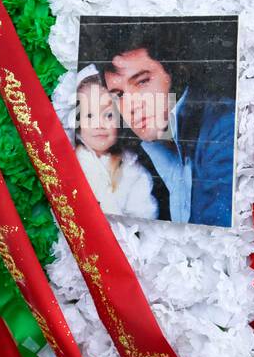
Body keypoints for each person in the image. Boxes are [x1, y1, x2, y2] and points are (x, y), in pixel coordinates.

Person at [101, 30, 235, 228]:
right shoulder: (158, 148)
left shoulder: (223, 129)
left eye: (142, 82)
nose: (131, 105)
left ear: (175, 73)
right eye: (119, 94)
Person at [73, 67, 159, 220]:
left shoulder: (132, 169)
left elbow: (144, 215)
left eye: (109, 115)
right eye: (90, 115)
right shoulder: (71, 160)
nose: (99, 124)